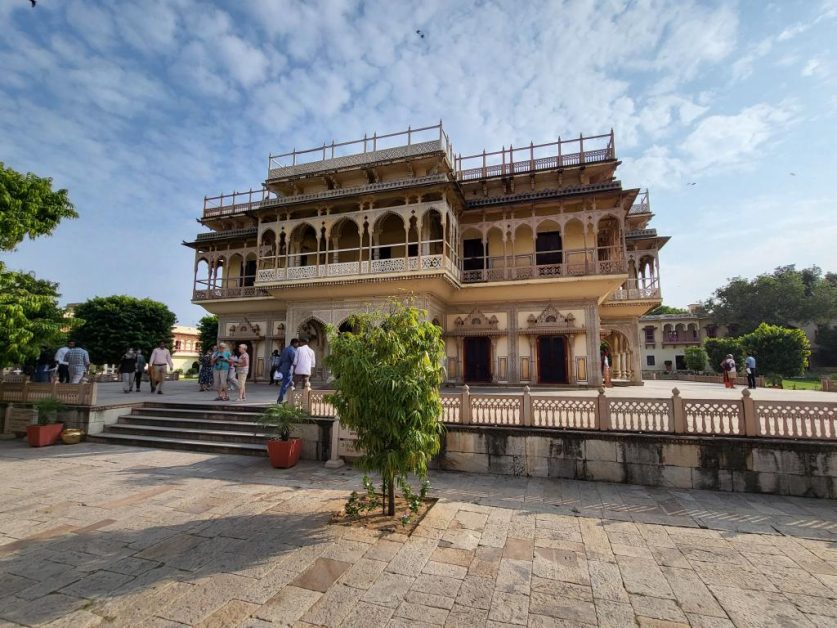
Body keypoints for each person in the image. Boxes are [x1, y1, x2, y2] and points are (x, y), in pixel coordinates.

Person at [276, 338, 299, 403]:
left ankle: (292, 399)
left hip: (283, 367)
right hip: (288, 368)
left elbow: (281, 359)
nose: (297, 345)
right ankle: (280, 399)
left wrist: (278, 367)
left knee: (291, 383)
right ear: (294, 343)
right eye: (297, 344)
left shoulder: (285, 349)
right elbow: (294, 361)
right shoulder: (292, 350)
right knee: (285, 384)